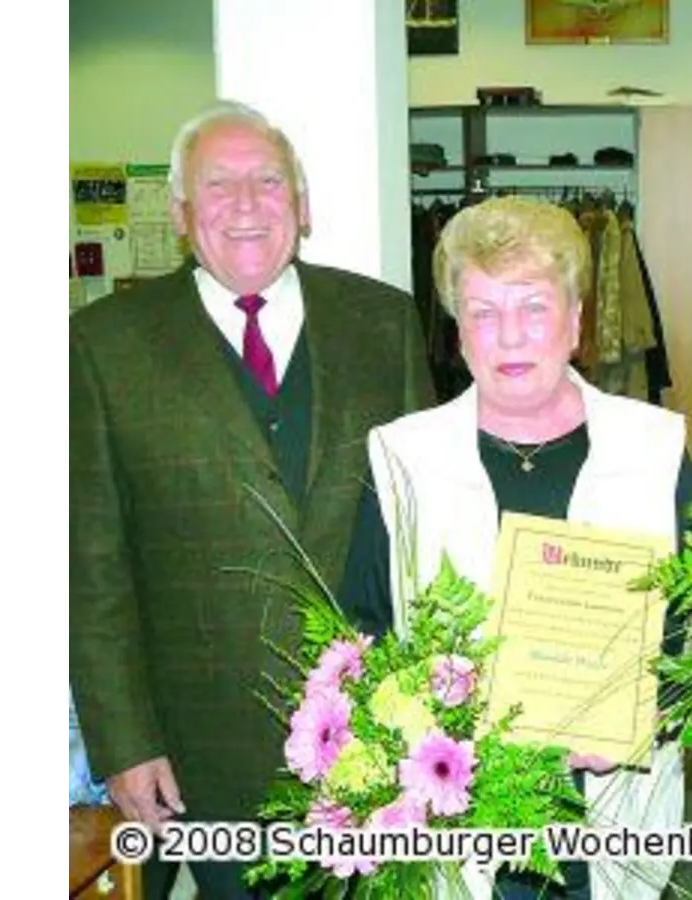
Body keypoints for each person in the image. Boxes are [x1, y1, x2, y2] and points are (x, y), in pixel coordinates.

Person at [69, 100, 436, 900]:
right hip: (198, 750)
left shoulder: (384, 323)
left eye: (268, 181)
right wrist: (122, 744)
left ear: (301, 206)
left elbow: (422, 526)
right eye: (218, 185)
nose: (245, 204)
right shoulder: (104, 347)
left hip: (374, 738)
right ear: (179, 213)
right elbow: (90, 568)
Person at [342, 196, 692, 900]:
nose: (509, 337)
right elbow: (367, 631)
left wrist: (643, 713)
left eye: (533, 307)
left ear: (575, 323)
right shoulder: (402, 457)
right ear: (458, 334)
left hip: (612, 806)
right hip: (460, 821)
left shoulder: (655, 447)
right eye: (483, 312)